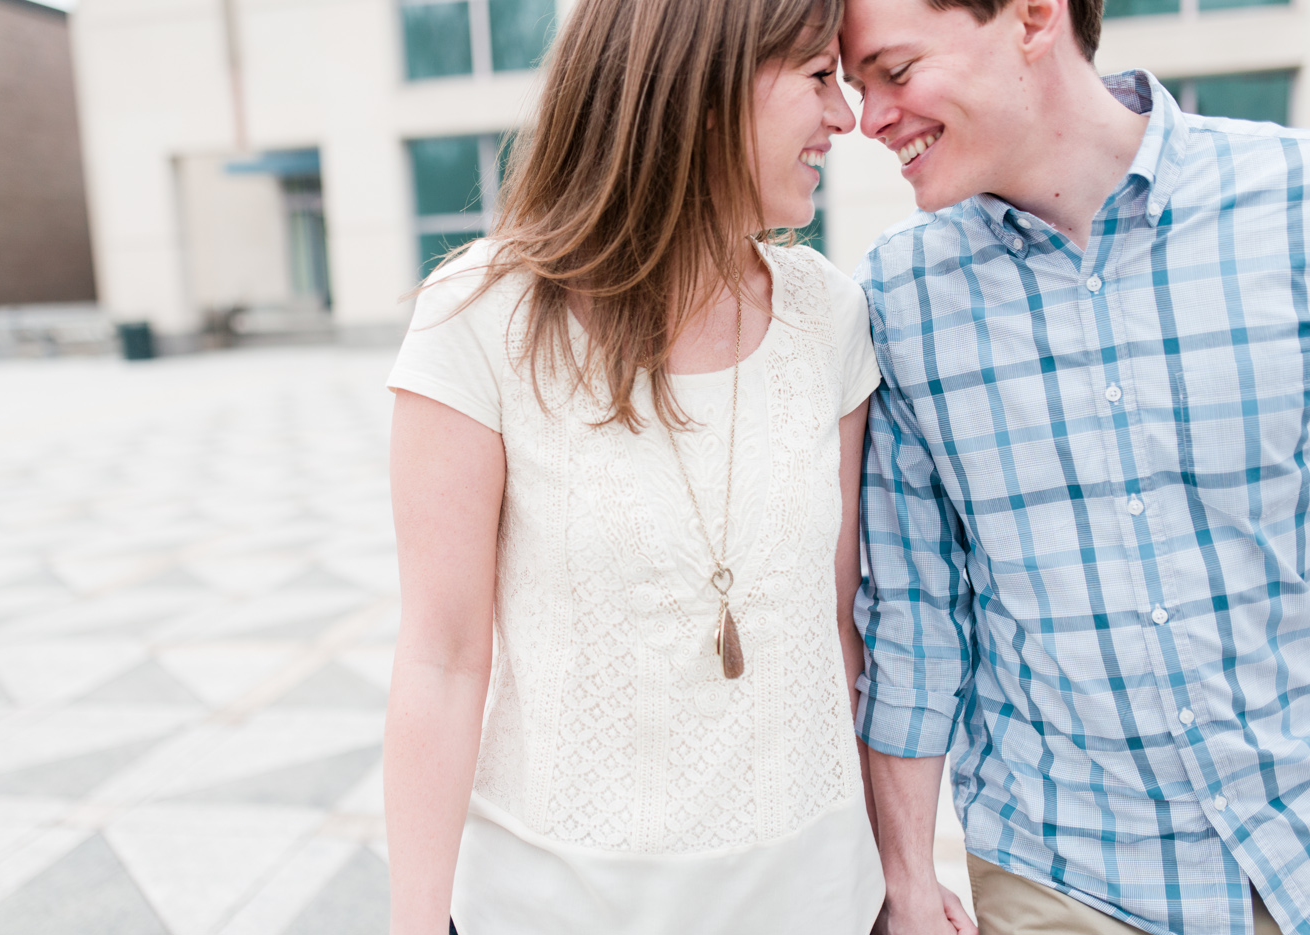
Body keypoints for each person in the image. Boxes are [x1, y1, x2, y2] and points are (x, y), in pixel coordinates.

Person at [383, 0, 885, 932]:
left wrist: (901, 874)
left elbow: (844, 625)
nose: (846, 118)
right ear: (701, 88)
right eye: (820, 78)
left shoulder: (832, 318)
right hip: (554, 906)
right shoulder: (480, 316)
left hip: (817, 899)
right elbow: (442, 659)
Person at [841, 0, 1308, 933]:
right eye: (855, 87)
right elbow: (915, 616)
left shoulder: (1289, 203)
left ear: (1032, 16)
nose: (869, 118)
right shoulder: (900, 294)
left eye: (895, 72)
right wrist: (903, 875)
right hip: (1063, 874)